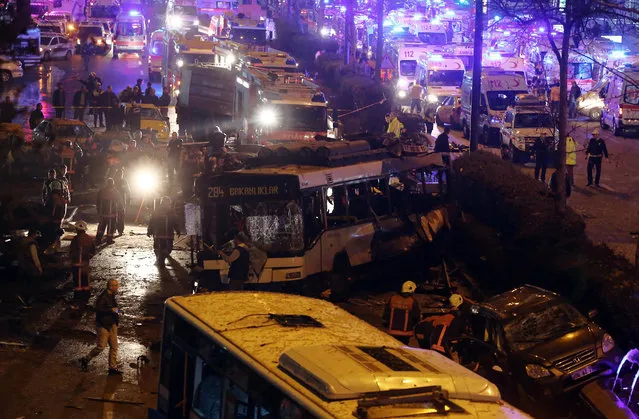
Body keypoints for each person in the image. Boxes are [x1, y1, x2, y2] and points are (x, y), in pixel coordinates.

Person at [80, 279, 121, 375]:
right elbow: (98, 309)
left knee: (114, 347)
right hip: (103, 325)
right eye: (115, 285)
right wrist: (112, 310)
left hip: (112, 324)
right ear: (110, 286)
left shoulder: (112, 296)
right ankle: (86, 359)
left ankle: (112, 368)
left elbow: (115, 308)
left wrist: (117, 314)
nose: (117, 287)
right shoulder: (103, 297)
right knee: (101, 347)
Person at [415, 294, 468, 359]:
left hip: (430, 344)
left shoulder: (441, 318)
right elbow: (454, 339)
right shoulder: (455, 320)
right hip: (440, 348)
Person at [147, 196, 180, 267]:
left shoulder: (172, 212)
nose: (167, 205)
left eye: (168, 203)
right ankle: (161, 261)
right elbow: (152, 221)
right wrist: (149, 230)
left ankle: (161, 258)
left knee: (169, 249)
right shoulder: (157, 211)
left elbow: (175, 222)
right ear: (162, 203)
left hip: (169, 234)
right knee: (163, 248)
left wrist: (177, 230)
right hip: (160, 235)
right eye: (165, 203)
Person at [69, 220, 96, 293]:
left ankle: (78, 294)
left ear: (77, 229)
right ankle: (86, 292)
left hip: (76, 264)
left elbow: (71, 251)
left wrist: (71, 260)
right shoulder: (89, 238)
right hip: (85, 263)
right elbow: (93, 250)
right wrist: (88, 258)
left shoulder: (75, 239)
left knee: (77, 280)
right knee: (85, 278)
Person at [96, 178, 123, 245]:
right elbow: (119, 202)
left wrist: (98, 210)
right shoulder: (115, 192)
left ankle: (98, 240)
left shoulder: (101, 191)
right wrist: (121, 209)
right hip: (112, 214)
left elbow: (97, 201)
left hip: (103, 214)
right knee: (111, 228)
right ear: (113, 184)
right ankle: (109, 240)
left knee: (101, 227)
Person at [113, 169, 130, 235]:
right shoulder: (114, 181)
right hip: (114, 201)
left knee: (121, 216)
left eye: (121, 174)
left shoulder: (124, 181)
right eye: (119, 174)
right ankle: (113, 229)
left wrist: (128, 200)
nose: (120, 175)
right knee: (114, 216)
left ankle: (120, 230)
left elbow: (128, 191)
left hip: (121, 201)